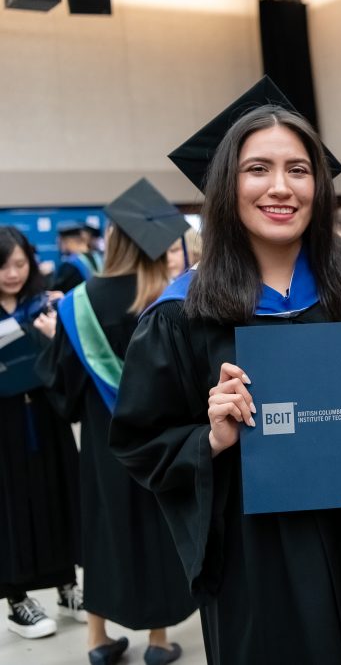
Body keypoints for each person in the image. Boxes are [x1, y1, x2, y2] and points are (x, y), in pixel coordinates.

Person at [108, 79, 341, 665]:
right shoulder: (182, 313)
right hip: (256, 559)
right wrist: (210, 438)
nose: (280, 187)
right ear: (226, 185)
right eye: (257, 169)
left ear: (319, 184)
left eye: (298, 169)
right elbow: (140, 441)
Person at [34, 179, 197, 665]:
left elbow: (62, 392)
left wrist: (50, 340)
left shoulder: (75, 303)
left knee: (103, 531)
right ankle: (160, 641)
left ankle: (97, 640)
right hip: (161, 441)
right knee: (158, 530)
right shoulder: (170, 299)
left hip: (104, 446)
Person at [0, 226, 83, 640]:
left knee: (56, 496)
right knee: (11, 508)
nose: (13, 273)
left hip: (47, 419)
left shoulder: (46, 303)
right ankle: (17, 600)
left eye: (20, 263)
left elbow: (70, 360)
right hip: (5, 427)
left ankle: (67, 586)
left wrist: (55, 334)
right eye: (3, 265)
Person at [51, 220, 104, 293]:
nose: (60, 247)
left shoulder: (69, 266)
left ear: (68, 241)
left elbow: (56, 293)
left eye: (60, 243)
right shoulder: (100, 258)